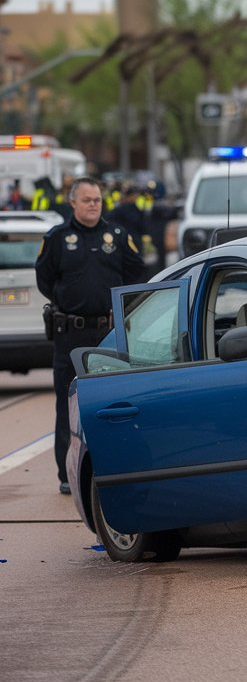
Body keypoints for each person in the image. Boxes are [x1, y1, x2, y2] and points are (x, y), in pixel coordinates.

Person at [35, 177, 147, 494]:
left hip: (107, 332)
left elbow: (136, 270)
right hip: (70, 333)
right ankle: (66, 475)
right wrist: (68, 298)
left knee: (113, 403)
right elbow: (45, 277)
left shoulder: (117, 235)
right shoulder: (58, 238)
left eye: (97, 200)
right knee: (67, 405)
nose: (93, 205)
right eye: (87, 200)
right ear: (73, 203)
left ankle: (114, 466)